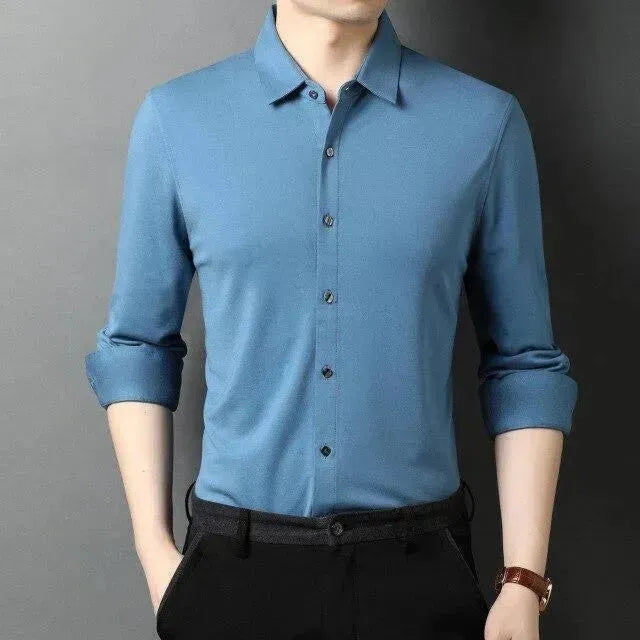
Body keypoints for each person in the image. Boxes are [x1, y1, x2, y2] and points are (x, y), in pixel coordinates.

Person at [85, 1, 578, 639]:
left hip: (420, 571)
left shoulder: (484, 123)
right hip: (234, 571)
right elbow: (137, 348)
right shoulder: (176, 120)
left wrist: (523, 581)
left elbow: (524, 363)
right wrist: (156, 554)